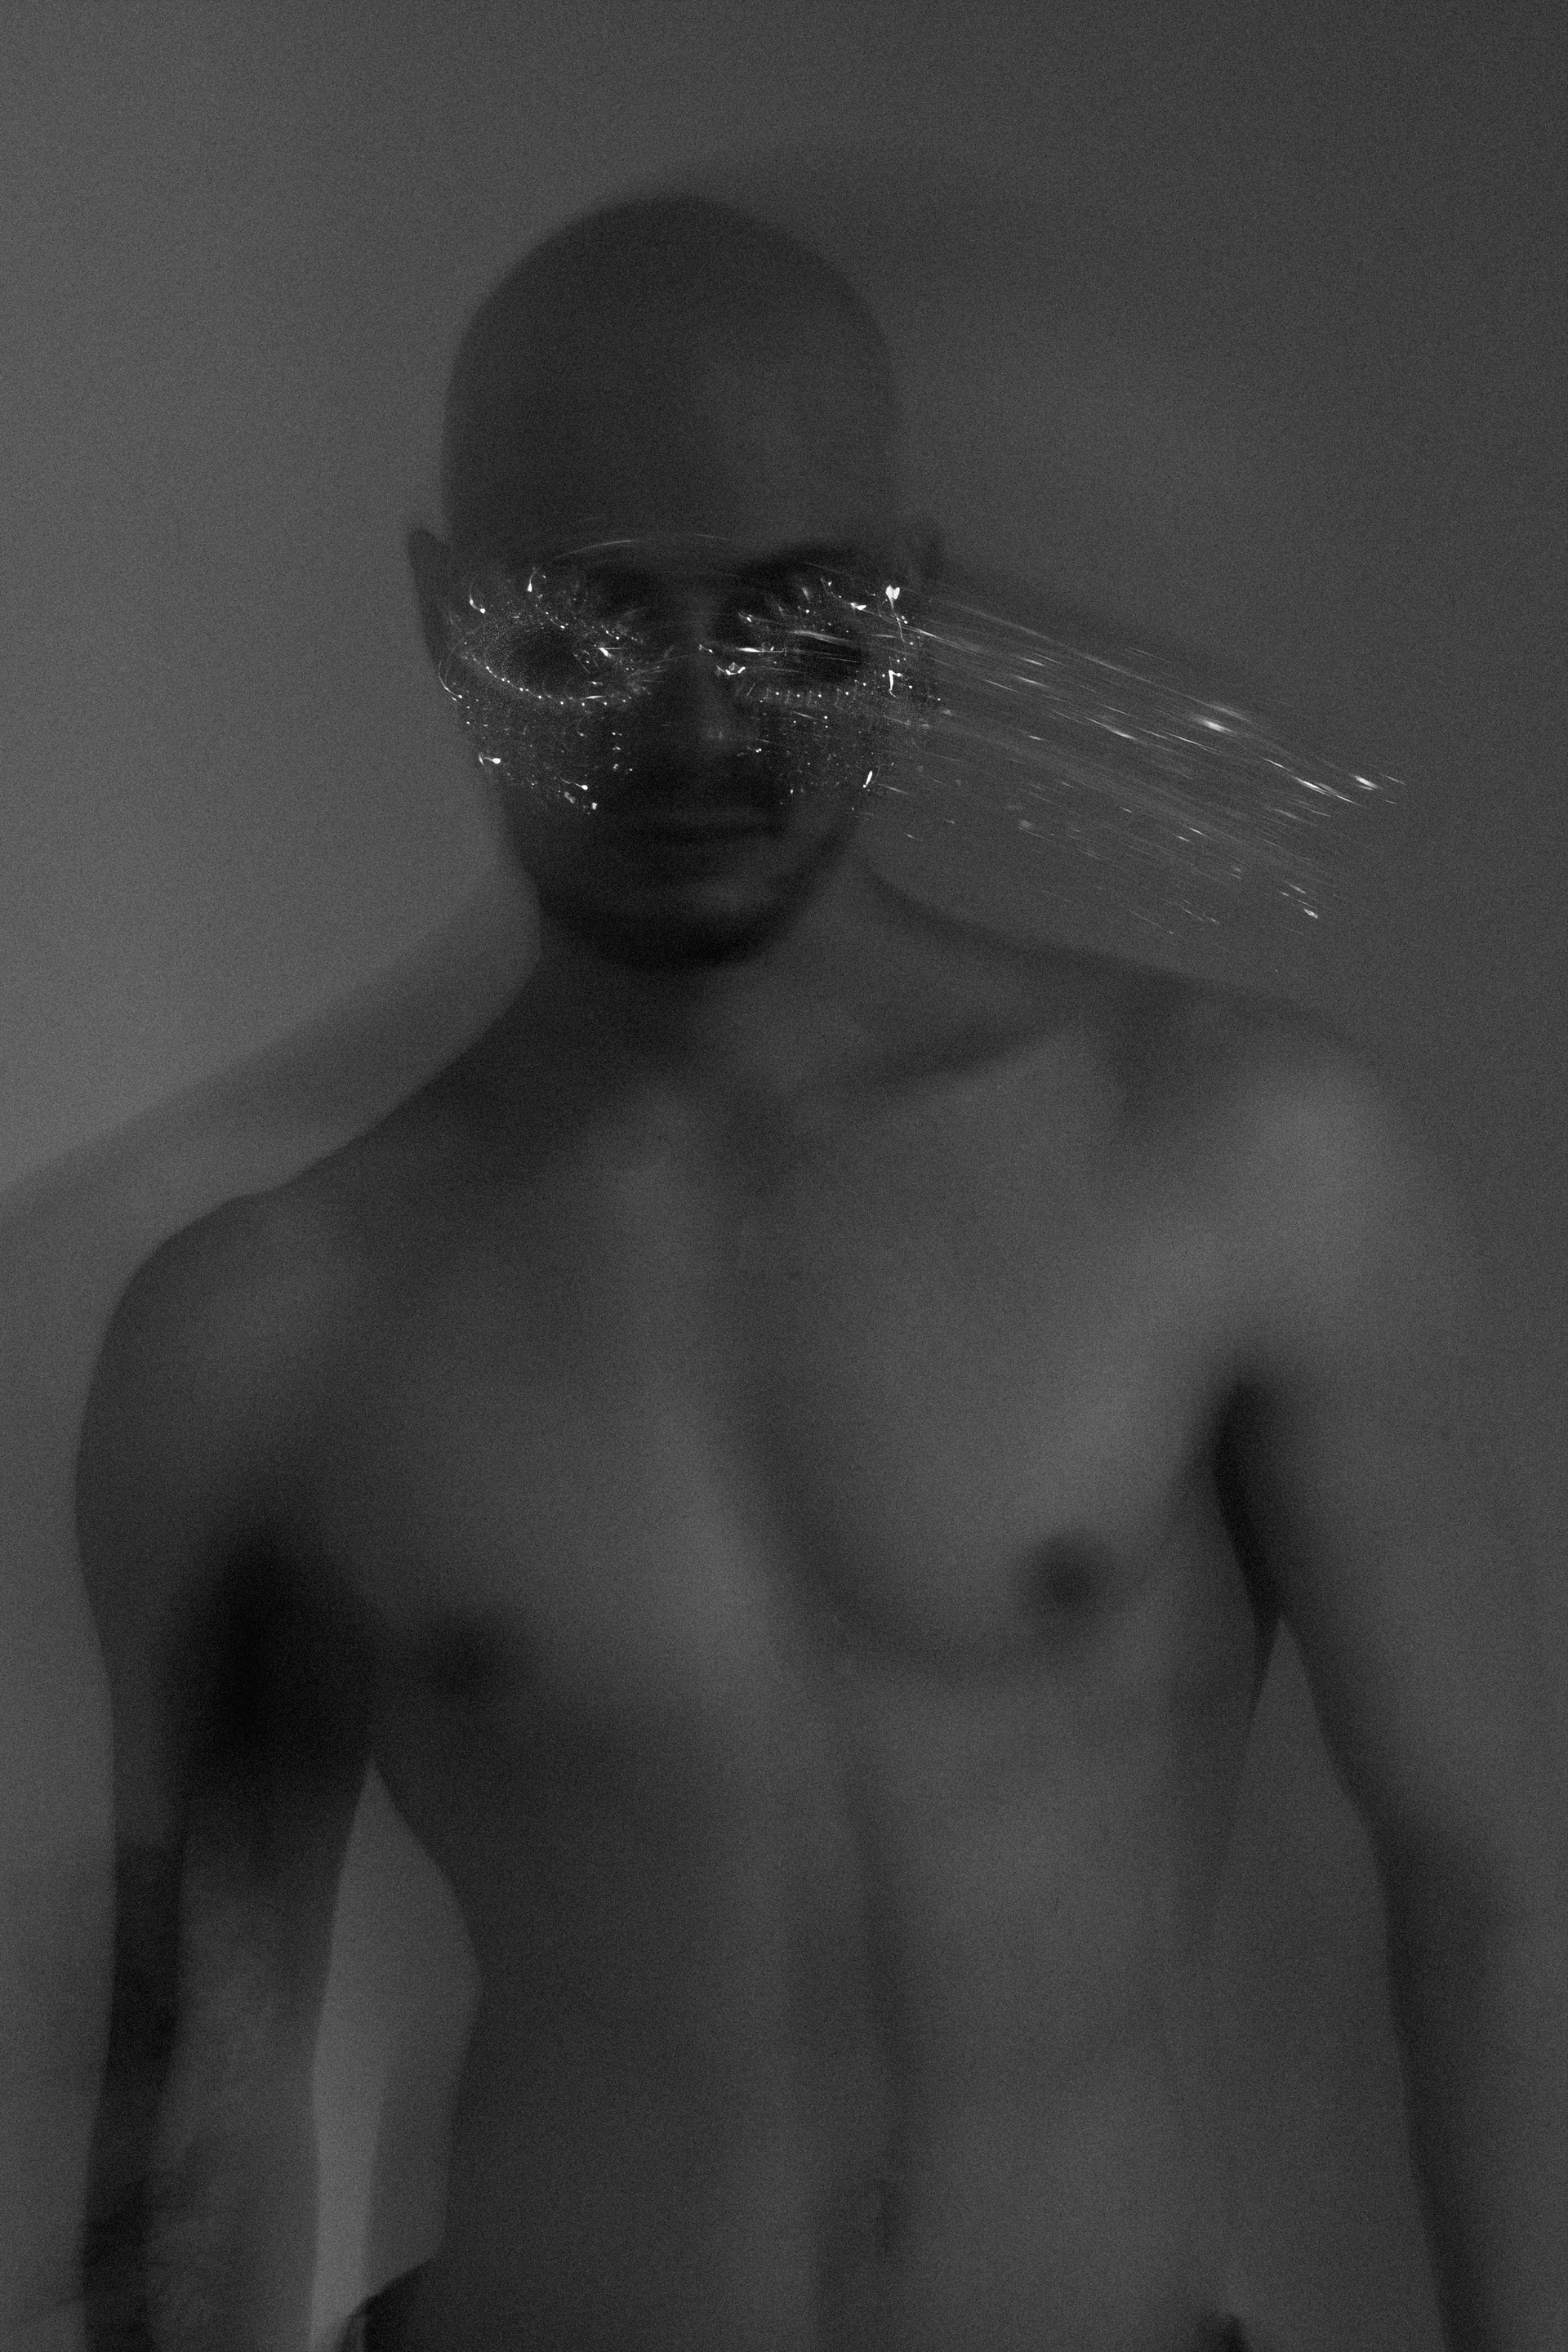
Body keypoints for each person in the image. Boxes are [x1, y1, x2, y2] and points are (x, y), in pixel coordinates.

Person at [71, 193, 1566, 2352]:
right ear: (450, 618)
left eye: (796, 622)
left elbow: (1494, 1901)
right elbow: (198, 2080)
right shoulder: (268, 1325)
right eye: (590, 625)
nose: (697, 723)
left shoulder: (1231, 1163)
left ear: (912, 613)